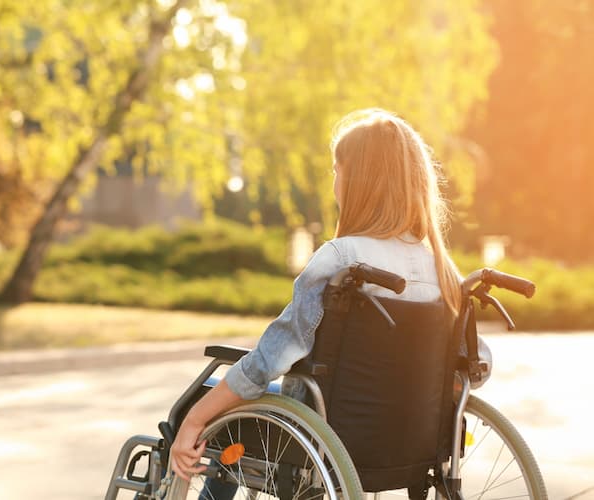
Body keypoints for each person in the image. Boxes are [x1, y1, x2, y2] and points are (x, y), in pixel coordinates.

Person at [169, 108, 491, 484]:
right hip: (408, 443)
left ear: (360, 181)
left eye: (338, 171)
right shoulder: (442, 270)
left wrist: (196, 419)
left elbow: (273, 356)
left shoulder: (342, 260)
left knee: (212, 411)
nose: (334, 183)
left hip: (320, 440)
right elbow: (477, 364)